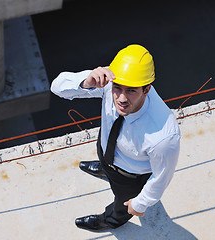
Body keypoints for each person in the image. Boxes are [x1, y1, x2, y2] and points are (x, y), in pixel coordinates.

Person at [51, 44, 180, 231]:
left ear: (146, 89)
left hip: (130, 176)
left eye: (131, 91)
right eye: (117, 88)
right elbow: (57, 87)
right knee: (105, 160)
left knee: (123, 205)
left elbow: (162, 176)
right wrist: (86, 83)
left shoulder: (163, 136)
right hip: (106, 149)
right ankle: (105, 169)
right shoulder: (110, 83)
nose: (121, 98)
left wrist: (140, 203)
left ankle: (110, 220)